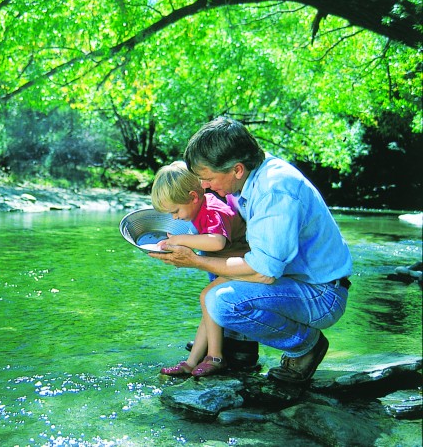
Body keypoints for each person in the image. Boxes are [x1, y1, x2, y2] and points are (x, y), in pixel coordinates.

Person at [150, 117, 352, 384]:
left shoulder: (274, 190)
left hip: (321, 293)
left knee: (221, 301)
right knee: (219, 274)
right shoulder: (249, 176)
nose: (205, 186)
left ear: (237, 169)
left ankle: (306, 346)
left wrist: (195, 261)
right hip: (293, 280)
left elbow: (262, 272)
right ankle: (235, 347)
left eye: (208, 178)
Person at [150, 161, 249, 377]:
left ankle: (215, 357)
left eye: (175, 211)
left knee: (207, 297)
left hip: (245, 267)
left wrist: (181, 239)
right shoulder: (200, 207)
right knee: (208, 310)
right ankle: (191, 362)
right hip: (227, 267)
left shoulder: (213, 209)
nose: (174, 218)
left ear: (194, 197)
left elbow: (217, 242)